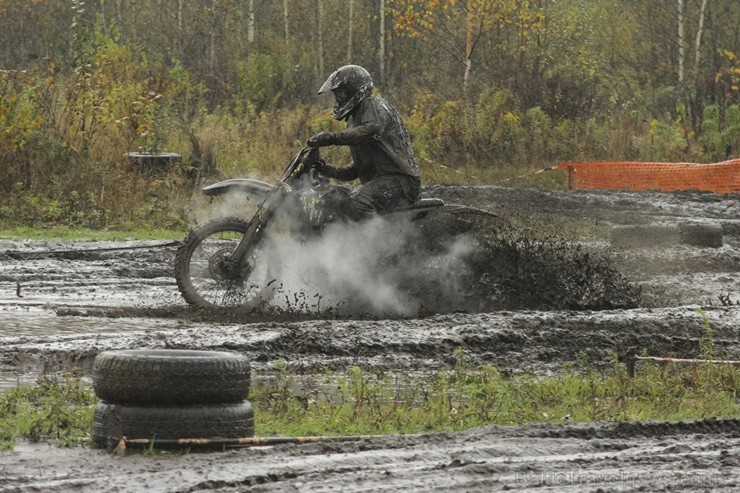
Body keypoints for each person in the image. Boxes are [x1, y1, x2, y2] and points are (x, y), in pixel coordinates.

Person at [307, 65, 420, 221]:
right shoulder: (353, 119)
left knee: (358, 202)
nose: (338, 98)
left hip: (401, 181)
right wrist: (327, 170)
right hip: (380, 183)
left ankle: (376, 244)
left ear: (354, 89)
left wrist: (330, 137)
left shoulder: (374, 105)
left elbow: (371, 130)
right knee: (334, 196)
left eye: (340, 92)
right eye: (336, 94)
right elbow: (357, 169)